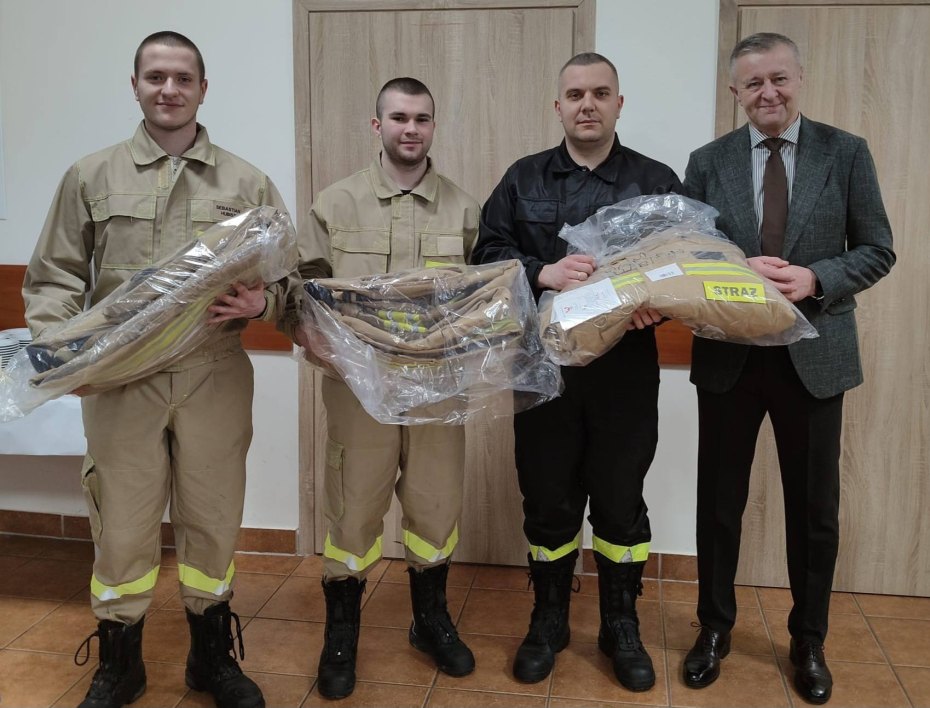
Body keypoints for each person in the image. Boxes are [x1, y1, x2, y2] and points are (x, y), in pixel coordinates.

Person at [23, 31, 291, 708]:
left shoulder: (247, 182)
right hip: (121, 380)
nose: (169, 89)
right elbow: (53, 277)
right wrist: (66, 358)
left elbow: (289, 277)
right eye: (155, 77)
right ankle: (121, 663)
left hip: (213, 373)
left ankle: (211, 658)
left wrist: (264, 302)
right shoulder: (91, 176)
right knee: (122, 522)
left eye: (182, 78)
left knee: (213, 515)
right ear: (135, 85)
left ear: (203, 89)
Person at [681, 33, 895, 704]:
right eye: (753, 83)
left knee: (814, 511)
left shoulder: (846, 152)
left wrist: (815, 277)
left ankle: (809, 641)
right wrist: (731, 265)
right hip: (730, 357)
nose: (767, 92)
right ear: (735, 92)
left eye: (778, 78)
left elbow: (877, 248)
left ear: (799, 78)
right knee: (719, 505)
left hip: (815, 358)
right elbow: (686, 253)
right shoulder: (706, 162)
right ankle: (714, 628)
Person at [472, 53, 680, 692]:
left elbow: (687, 260)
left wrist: (658, 299)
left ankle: (620, 625)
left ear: (619, 103)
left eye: (600, 93)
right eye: (575, 94)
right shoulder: (522, 178)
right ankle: (549, 619)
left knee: (620, 502)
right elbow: (486, 255)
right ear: (557, 106)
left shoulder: (655, 181)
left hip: (625, 373)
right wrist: (543, 271)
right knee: (548, 500)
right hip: (544, 372)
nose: (587, 104)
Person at [283, 77, 479, 700]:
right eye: (399, 117)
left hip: (437, 389)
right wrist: (307, 333)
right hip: (358, 389)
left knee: (435, 504)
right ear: (377, 126)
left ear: (433, 126)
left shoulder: (464, 209)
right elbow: (298, 287)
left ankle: (430, 621)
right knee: (354, 506)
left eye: (422, 118)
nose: (410, 129)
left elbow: (483, 298)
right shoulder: (335, 204)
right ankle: (341, 635)